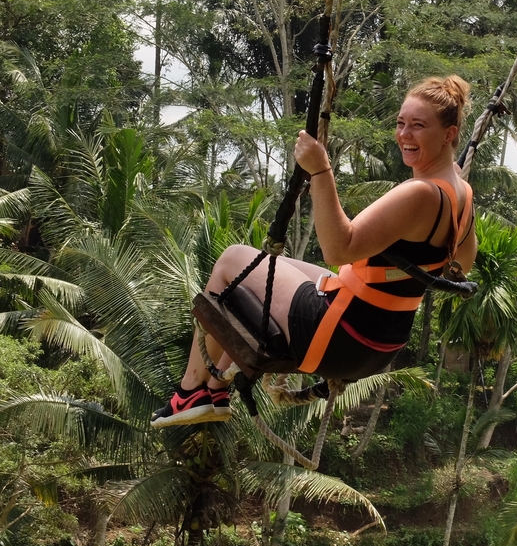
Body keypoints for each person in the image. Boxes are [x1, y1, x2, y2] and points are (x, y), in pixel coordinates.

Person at [151, 76, 477, 427]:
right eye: (400, 123)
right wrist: (399, 272)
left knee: (232, 259)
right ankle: (214, 388)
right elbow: (461, 264)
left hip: (339, 335)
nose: (404, 134)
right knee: (270, 268)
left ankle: (189, 392)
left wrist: (321, 170)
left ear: (448, 134)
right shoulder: (461, 194)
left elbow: (338, 248)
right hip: (380, 345)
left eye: (418, 125)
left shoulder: (422, 193)